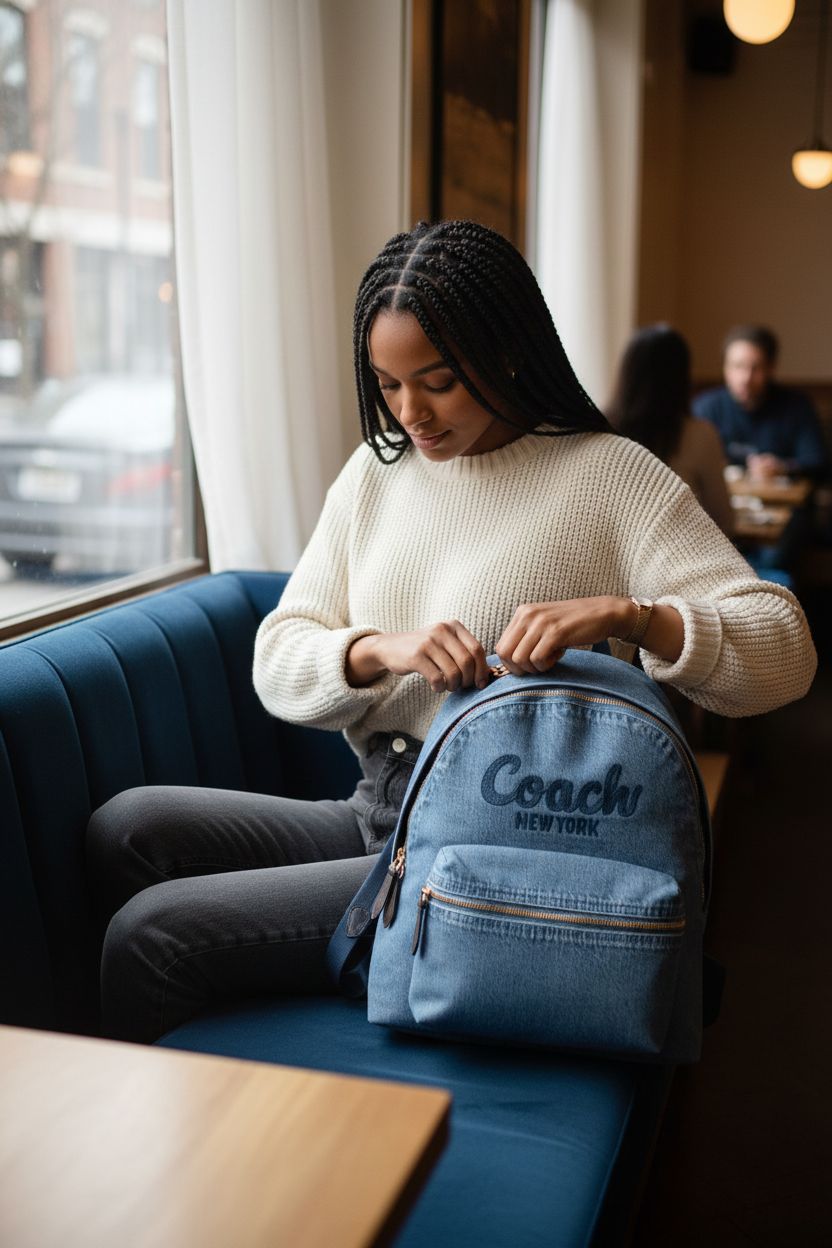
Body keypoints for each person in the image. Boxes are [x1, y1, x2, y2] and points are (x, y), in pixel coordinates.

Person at [87, 221, 817, 1045]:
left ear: (506, 352)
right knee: (127, 828)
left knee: (150, 936)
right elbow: (278, 655)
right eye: (388, 384)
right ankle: (373, 960)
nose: (410, 413)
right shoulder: (377, 471)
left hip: (490, 839)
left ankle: (385, 982)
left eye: (435, 381)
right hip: (379, 807)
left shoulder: (610, 476)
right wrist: (377, 650)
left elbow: (784, 650)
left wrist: (632, 615)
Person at [607, 324, 734, 535]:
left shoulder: (600, 428)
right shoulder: (699, 434)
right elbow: (724, 521)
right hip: (681, 559)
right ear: (681, 378)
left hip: (614, 561)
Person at [692, 325, 828, 482]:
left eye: (756, 368)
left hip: (783, 501)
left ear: (771, 369)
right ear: (725, 368)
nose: (746, 378)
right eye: (738, 366)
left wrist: (783, 468)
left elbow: (817, 462)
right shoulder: (706, 408)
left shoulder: (797, 407)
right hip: (722, 501)